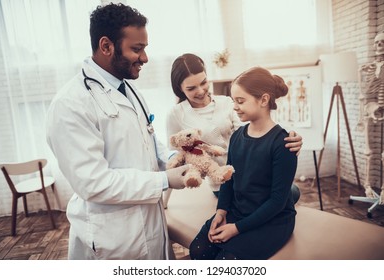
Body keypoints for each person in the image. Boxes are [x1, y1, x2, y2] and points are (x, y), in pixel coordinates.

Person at [45, 3, 190, 260]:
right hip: (113, 238)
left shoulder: (131, 90)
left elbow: (147, 139)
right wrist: (165, 180)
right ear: (106, 46)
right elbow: (94, 183)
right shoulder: (70, 104)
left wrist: (170, 159)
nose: (145, 58)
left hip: (151, 223)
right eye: (137, 49)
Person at [189, 67, 298, 260]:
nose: (235, 107)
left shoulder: (283, 144)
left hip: (273, 220)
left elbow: (277, 202)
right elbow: (228, 179)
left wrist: (236, 229)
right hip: (238, 211)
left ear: (264, 100)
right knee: (198, 251)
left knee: (227, 262)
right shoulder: (238, 136)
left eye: (240, 101)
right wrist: (221, 212)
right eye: (233, 102)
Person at [166, 53, 302, 197]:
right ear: (180, 88)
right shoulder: (176, 114)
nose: (200, 91)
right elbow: (173, 155)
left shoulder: (227, 102)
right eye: (191, 88)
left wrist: (283, 140)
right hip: (221, 182)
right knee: (288, 194)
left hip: (249, 172)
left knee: (292, 191)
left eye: (203, 82)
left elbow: (253, 133)